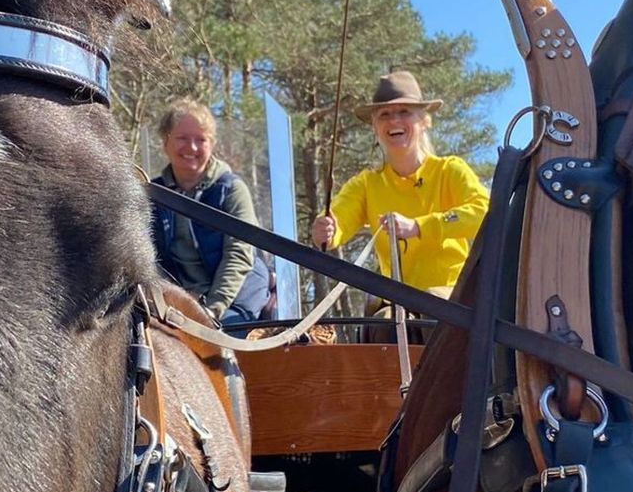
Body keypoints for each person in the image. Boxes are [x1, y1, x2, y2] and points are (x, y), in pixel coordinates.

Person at [310, 70, 491, 341]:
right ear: (375, 126)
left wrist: (419, 226)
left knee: (436, 310)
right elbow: (338, 222)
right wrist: (326, 230)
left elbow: (485, 214)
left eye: (404, 111)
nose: (394, 120)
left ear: (424, 120)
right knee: (384, 325)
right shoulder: (366, 184)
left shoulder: (450, 171)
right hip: (396, 305)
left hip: (450, 297)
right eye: (384, 114)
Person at [151, 98, 269, 333]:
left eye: (200, 140)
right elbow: (149, 259)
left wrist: (212, 310)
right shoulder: (154, 194)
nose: (192, 147)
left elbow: (239, 254)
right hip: (179, 303)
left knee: (215, 347)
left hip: (232, 300)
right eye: (182, 138)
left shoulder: (231, 190)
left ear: (211, 144)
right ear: (165, 142)